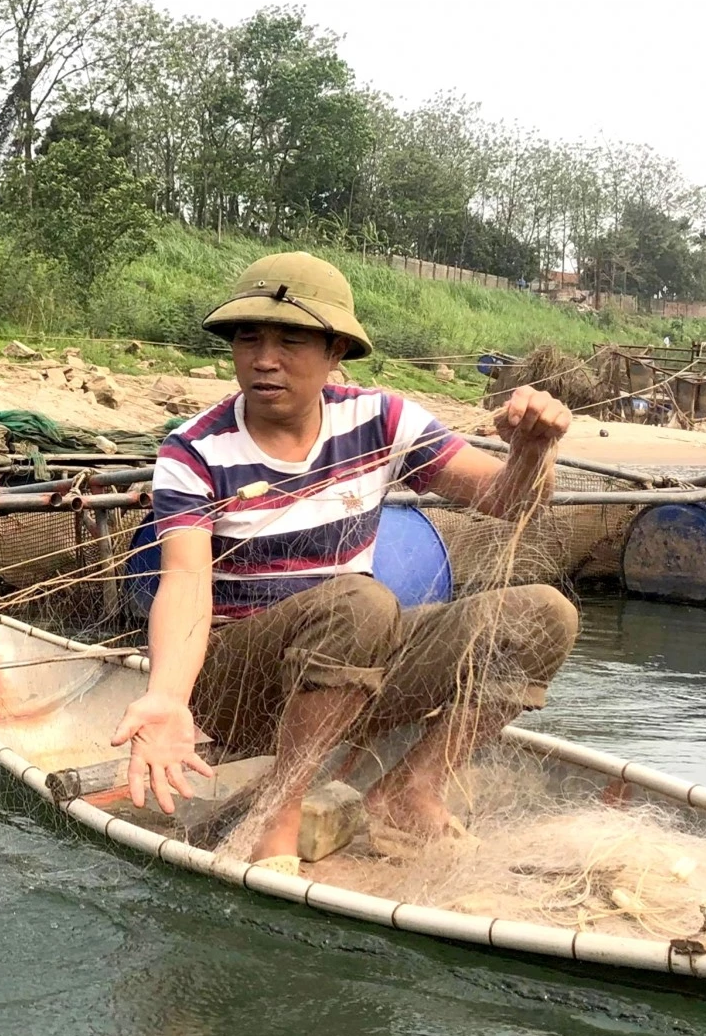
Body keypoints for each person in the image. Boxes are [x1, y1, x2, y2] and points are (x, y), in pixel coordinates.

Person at [111, 252, 578, 868]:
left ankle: (412, 789)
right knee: (361, 601)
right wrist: (169, 697)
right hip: (239, 689)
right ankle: (279, 808)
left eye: (291, 340)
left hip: (351, 670)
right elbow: (186, 584)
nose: (264, 359)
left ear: (335, 354)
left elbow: (505, 501)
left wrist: (532, 449)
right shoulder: (195, 450)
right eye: (248, 338)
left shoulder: (381, 419)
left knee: (544, 614)